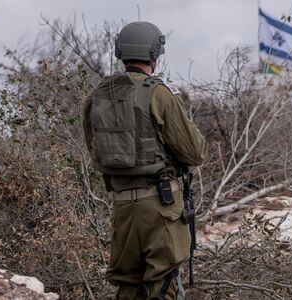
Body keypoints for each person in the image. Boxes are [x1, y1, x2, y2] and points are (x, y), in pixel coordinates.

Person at [82, 21, 206, 300]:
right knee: (163, 282)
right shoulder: (159, 93)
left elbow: (93, 145)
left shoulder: (97, 95)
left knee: (128, 283)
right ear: (155, 53)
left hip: (122, 205)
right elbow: (194, 152)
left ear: (120, 52)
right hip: (161, 205)